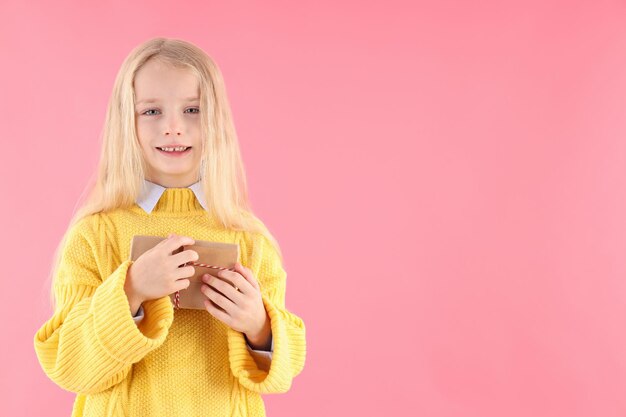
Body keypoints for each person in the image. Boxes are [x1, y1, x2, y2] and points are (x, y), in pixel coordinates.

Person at [33, 37, 306, 417]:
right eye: (151, 112)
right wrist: (131, 290)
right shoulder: (94, 235)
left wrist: (259, 326)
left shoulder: (251, 240)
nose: (174, 128)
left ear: (216, 121)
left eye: (193, 109)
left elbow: (284, 372)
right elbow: (70, 365)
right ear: (125, 122)